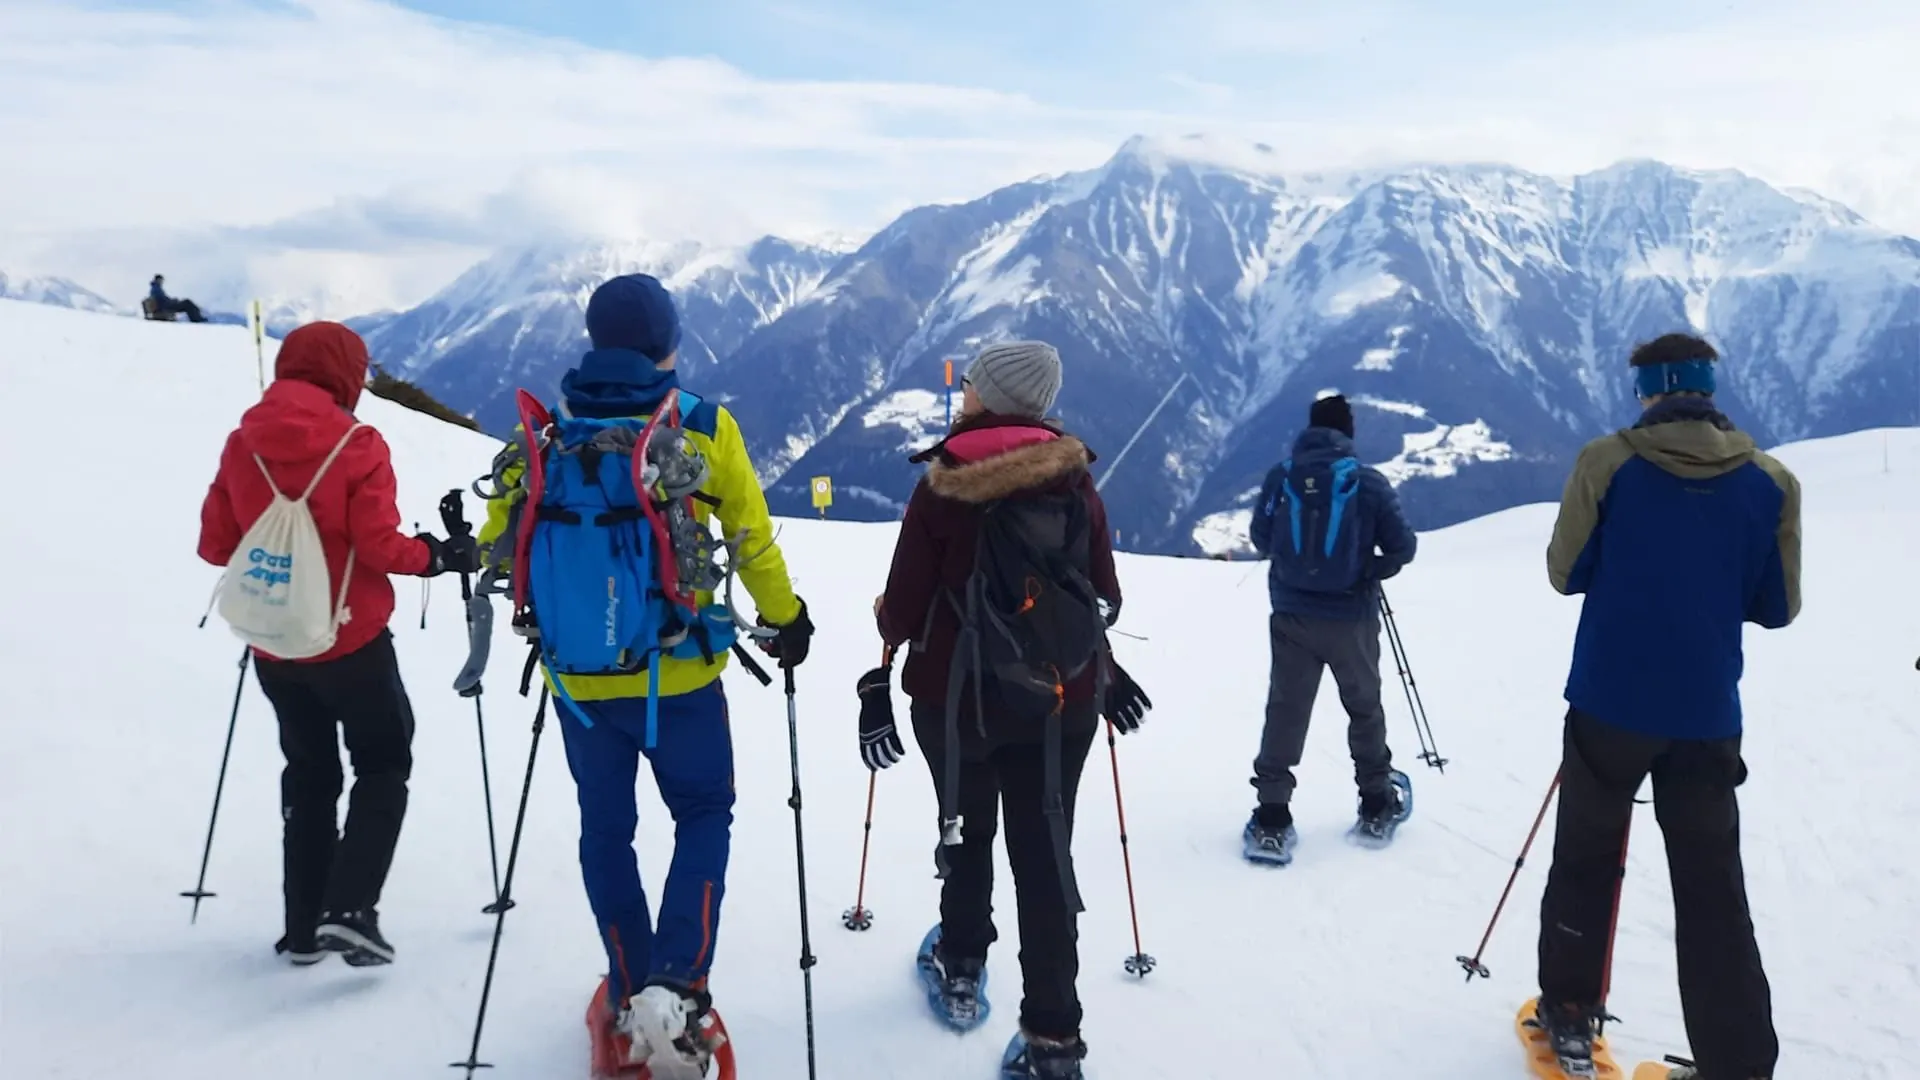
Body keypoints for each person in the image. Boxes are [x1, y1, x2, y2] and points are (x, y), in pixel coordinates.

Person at [476, 273, 812, 1075]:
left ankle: (630, 993)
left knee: (606, 831)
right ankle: (681, 989)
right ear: (667, 343)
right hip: (684, 672)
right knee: (703, 812)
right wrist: (786, 618)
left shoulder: (547, 436)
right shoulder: (698, 427)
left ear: (596, 341)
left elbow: (500, 538)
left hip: (578, 681)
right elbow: (753, 539)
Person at [1532, 334, 1799, 1080]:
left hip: (1608, 701)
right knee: (1714, 891)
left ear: (1650, 389)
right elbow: (1778, 606)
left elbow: (1564, 571)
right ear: (1710, 389)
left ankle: (1571, 1017)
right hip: (1707, 710)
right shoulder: (1770, 480)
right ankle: (1737, 1064)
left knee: (1586, 856)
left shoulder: (1607, 463)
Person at [872, 341, 1140, 1080]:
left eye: (973, 386)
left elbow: (902, 608)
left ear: (987, 397)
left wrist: (887, 628)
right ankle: (1054, 1042)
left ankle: (961, 966)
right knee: (1045, 852)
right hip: (1061, 700)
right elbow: (1103, 593)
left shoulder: (942, 487)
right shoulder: (1074, 482)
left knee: (964, 827)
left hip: (955, 701)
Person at [197, 321, 475, 967]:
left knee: (310, 774)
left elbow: (216, 544)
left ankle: (302, 929)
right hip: (351, 640)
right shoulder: (357, 443)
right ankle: (349, 911)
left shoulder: (244, 443)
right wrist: (435, 556)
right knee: (382, 763)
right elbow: (381, 547)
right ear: (347, 374)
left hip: (274, 644)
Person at [1242, 393, 1418, 863]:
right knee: (1363, 707)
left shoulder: (1283, 477)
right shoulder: (1368, 482)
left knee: (1286, 710)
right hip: (1351, 615)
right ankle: (1376, 803)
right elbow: (1403, 547)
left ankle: (1272, 816)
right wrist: (1371, 570)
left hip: (1292, 615)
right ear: (1349, 431)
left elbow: (1261, 537)